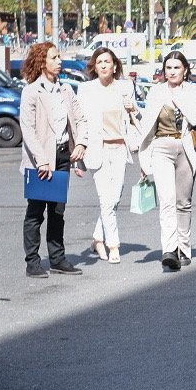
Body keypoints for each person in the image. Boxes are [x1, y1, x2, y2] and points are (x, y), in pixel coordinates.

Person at [132, 51, 196, 272]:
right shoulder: (155, 92)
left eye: (176, 68)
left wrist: (178, 98)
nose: (172, 72)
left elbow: (195, 118)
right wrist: (144, 161)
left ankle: (184, 248)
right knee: (167, 200)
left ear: (185, 70)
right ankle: (169, 250)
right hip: (161, 147)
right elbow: (147, 127)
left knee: (183, 202)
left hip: (186, 148)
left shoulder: (194, 90)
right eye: (168, 68)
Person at [20, 41, 88, 278]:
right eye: (54, 58)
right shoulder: (31, 91)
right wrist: (41, 160)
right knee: (36, 211)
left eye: (59, 57)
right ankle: (33, 262)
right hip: (40, 158)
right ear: (42, 62)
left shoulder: (66, 90)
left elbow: (80, 119)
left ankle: (57, 258)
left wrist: (80, 143)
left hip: (61, 156)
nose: (59, 61)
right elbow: (27, 129)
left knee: (58, 211)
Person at [77, 47, 138, 265]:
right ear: (94, 66)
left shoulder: (125, 86)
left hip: (119, 148)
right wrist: (78, 157)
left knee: (115, 197)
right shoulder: (85, 90)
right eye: (99, 62)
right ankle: (113, 245)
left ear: (114, 66)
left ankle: (97, 237)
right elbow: (80, 123)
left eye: (107, 61)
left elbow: (134, 117)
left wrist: (134, 109)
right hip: (97, 150)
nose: (103, 65)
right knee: (106, 198)